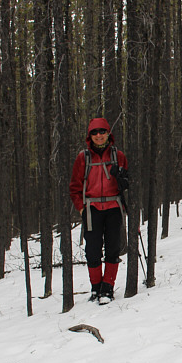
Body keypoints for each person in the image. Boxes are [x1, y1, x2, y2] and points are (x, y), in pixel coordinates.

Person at [70, 117, 129, 304]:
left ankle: (108, 288)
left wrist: (122, 180)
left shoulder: (118, 156)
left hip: (113, 207)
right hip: (92, 208)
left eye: (102, 132)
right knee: (92, 251)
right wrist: (81, 207)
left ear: (108, 133)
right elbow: (74, 187)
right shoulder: (83, 157)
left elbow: (127, 181)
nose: (98, 136)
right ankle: (96, 288)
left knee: (113, 249)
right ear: (90, 136)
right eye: (94, 133)